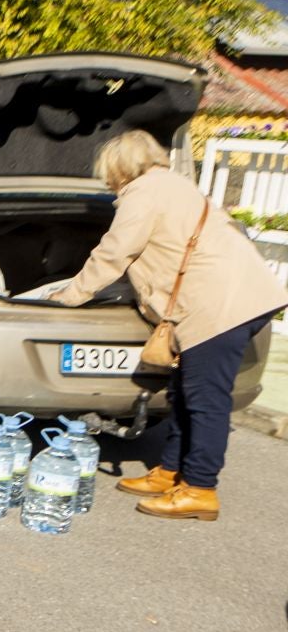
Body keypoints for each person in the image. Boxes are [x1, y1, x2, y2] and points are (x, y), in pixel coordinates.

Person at [52, 130, 287, 520]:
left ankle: (200, 489)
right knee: (184, 392)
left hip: (219, 305)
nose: (107, 180)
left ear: (118, 167)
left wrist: (71, 295)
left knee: (205, 399)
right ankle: (170, 470)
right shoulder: (174, 185)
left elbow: (116, 250)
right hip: (227, 298)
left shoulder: (144, 192)